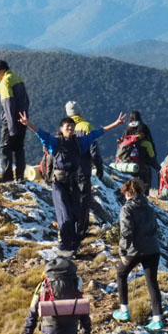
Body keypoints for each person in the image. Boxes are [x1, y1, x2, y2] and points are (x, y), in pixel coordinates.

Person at [20, 110, 126, 255]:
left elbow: (97, 133)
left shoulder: (80, 142)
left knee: (77, 216)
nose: (70, 128)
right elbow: (41, 133)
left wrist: (115, 124)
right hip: (59, 184)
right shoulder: (55, 143)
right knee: (65, 215)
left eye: (72, 126)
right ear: (61, 129)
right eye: (67, 126)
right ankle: (64, 246)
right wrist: (28, 124)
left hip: (74, 184)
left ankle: (73, 247)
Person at [112, 178, 163, 331]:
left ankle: (124, 310)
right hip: (153, 249)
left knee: (121, 274)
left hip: (135, 250)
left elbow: (126, 232)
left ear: (128, 193)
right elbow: (155, 228)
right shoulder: (149, 208)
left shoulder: (127, 209)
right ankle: (157, 319)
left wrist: (123, 251)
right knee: (152, 282)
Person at [65, 101, 104, 240]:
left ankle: (70, 228)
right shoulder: (86, 126)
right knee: (83, 199)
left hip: (67, 171)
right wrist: (99, 167)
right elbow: (94, 151)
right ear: (80, 112)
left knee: (71, 200)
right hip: (82, 170)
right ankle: (81, 230)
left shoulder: (65, 127)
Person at [0, 60, 30, 183]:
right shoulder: (17, 78)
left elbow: (8, 104)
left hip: (11, 120)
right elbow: (26, 100)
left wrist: (11, 125)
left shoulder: (5, 82)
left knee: (5, 147)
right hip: (23, 119)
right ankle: (20, 176)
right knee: (19, 147)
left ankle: (7, 175)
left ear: (2, 70)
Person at [117, 110, 158, 191]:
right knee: (145, 181)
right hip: (142, 162)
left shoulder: (127, 129)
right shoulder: (143, 127)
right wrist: (154, 162)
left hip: (128, 161)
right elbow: (150, 142)